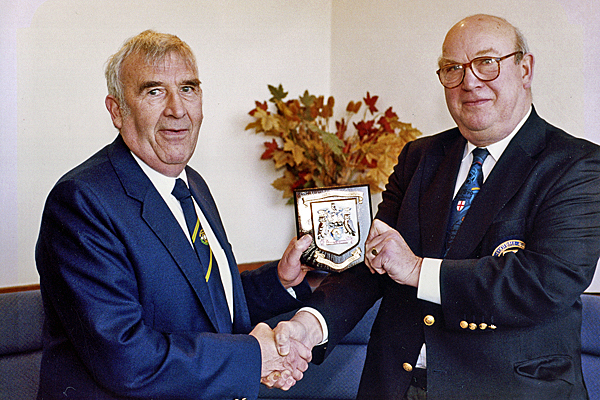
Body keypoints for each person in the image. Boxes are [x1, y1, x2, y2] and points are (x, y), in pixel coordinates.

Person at [274, 14, 600, 399]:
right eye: (453, 69)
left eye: (487, 63)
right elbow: (372, 263)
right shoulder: (419, 157)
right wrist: (309, 325)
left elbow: (544, 283)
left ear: (524, 69)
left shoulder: (576, 165)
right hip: (395, 385)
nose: (470, 82)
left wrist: (416, 269)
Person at [35, 30, 314, 400]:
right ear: (117, 110)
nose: (177, 109)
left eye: (188, 88)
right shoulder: (81, 202)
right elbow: (127, 358)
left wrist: (279, 281)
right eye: (154, 91)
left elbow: (203, 300)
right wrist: (252, 357)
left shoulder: (190, 184)